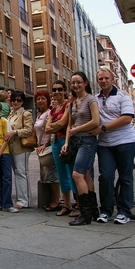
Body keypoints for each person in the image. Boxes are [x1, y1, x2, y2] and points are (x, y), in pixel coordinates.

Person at [90, 67, 135, 225]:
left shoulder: (123, 96)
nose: (103, 81)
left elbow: (127, 118)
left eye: (106, 78)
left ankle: (124, 211)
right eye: (100, 79)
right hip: (105, 144)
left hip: (125, 142)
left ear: (113, 79)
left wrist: (103, 128)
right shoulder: (95, 99)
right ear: (97, 81)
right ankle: (106, 211)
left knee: (125, 177)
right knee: (106, 177)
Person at [62, 71, 100, 226]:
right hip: (75, 141)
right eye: (73, 83)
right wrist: (66, 142)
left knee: (77, 174)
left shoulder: (91, 100)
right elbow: (69, 125)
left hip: (87, 141)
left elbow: (96, 121)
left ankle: (84, 214)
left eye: (78, 82)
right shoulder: (72, 103)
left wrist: (78, 129)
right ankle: (92, 210)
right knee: (87, 175)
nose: (76, 85)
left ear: (86, 83)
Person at [45, 81, 77, 216]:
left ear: (64, 91)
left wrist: (54, 125)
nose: (57, 92)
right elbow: (46, 129)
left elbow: (64, 123)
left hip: (66, 141)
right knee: (61, 174)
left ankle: (79, 204)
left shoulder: (68, 105)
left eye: (59, 89)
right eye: (54, 89)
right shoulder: (53, 109)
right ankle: (67, 204)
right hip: (55, 142)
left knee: (71, 173)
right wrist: (55, 126)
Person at [5, 90, 34, 209]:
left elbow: (29, 130)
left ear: (22, 101)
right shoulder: (11, 114)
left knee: (22, 173)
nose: (16, 102)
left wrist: (15, 132)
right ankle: (24, 199)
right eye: (14, 100)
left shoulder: (26, 114)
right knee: (18, 172)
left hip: (22, 147)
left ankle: (24, 201)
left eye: (19, 100)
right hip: (12, 147)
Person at [34, 90, 60, 211]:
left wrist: (46, 143)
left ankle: (56, 201)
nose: (40, 101)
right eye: (38, 99)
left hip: (48, 147)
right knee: (46, 176)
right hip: (42, 148)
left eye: (43, 98)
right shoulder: (39, 114)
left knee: (53, 176)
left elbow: (52, 130)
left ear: (48, 100)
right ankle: (52, 199)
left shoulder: (50, 113)